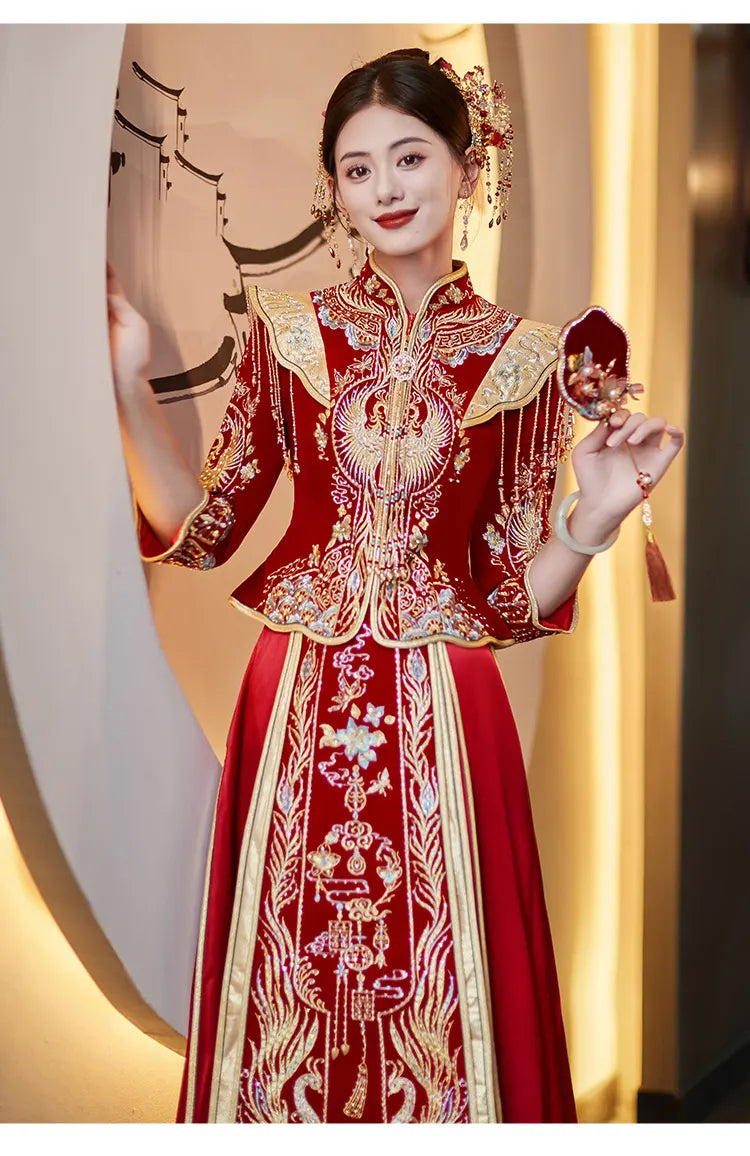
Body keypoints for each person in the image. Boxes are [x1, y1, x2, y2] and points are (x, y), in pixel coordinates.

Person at [107, 48, 685, 1124]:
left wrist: (597, 516)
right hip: (295, 700)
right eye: (357, 168)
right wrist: (133, 383)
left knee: (448, 987)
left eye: (410, 158)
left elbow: (507, 597)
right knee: (286, 980)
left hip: (448, 710)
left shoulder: (526, 360)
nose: (385, 189)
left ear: (467, 166)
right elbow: (206, 527)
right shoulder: (290, 334)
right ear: (334, 190)